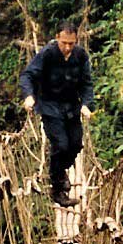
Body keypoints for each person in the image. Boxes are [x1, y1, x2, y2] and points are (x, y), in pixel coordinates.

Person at [19, 20, 94, 207]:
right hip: (50, 106)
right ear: (57, 38)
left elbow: (86, 83)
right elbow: (27, 75)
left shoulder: (80, 56)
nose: (67, 47)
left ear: (76, 41)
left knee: (75, 145)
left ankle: (59, 171)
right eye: (64, 43)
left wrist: (86, 104)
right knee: (61, 145)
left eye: (71, 43)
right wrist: (29, 96)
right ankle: (57, 186)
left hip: (71, 107)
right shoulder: (47, 54)